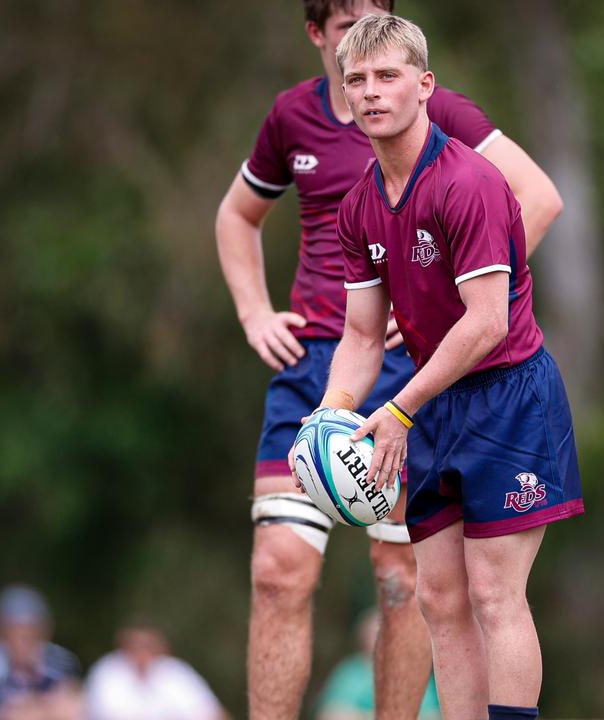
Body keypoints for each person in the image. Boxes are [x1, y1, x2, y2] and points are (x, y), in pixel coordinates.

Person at [214, 1, 562, 717]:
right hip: (386, 386)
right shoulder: (358, 203)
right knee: (431, 597)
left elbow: (489, 316)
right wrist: (331, 415)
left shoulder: (465, 175)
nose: (370, 90)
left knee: (485, 592)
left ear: (424, 83)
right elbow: (362, 336)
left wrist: (431, 330)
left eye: (386, 74)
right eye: (358, 75)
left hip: (490, 391)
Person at [0, 585, 82, 720]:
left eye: (31, 630)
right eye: (15, 629)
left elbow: (74, 704)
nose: (23, 637)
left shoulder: (59, 659)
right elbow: (4, 713)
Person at [83, 620, 231, 720]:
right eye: (135, 645)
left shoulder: (176, 672)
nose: (141, 652)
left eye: (147, 645)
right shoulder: (108, 671)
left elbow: (213, 713)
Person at [314, 610, 441, 720]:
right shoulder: (349, 673)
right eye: (374, 634)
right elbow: (330, 715)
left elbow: (433, 715)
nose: (379, 640)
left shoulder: (413, 674)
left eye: (385, 634)